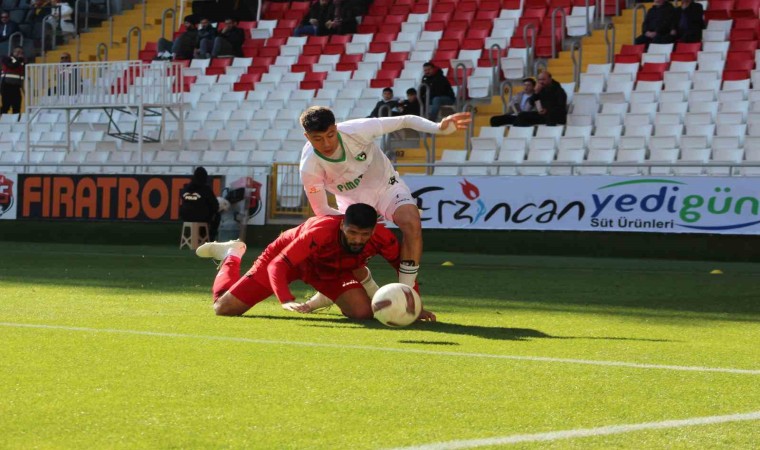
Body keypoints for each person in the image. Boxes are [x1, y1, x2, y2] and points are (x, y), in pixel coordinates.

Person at [298, 106, 471, 309]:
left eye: (330, 135)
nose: (327, 143)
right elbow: (322, 210)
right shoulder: (309, 166)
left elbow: (405, 120)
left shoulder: (357, 130)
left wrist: (439, 128)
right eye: (318, 139)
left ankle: (407, 296)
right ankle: (326, 296)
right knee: (345, 249)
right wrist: (351, 225)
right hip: (352, 205)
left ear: (336, 128)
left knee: (411, 221)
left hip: (386, 188)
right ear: (307, 137)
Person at [195, 203, 437, 321]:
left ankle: (323, 297)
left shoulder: (383, 237)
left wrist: (414, 305)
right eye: (352, 232)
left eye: (364, 235)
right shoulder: (320, 231)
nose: (358, 239)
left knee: (363, 313)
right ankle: (232, 254)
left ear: (374, 230)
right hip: (288, 261)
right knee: (224, 309)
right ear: (342, 224)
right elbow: (278, 265)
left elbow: (404, 267)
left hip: (330, 271)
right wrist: (285, 299)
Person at [489, 71, 566, 127]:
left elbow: (561, 108)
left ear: (550, 79)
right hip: (540, 115)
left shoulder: (559, 91)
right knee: (495, 120)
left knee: (522, 116)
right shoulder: (540, 90)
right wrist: (536, 93)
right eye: (539, 80)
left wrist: (547, 110)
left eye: (543, 79)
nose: (541, 82)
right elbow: (531, 103)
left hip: (552, 117)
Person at [180, 166, 221, 241]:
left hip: (185, 217)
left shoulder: (185, 188)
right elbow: (215, 205)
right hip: (202, 217)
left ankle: (198, 238)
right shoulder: (206, 189)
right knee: (217, 215)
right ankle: (210, 238)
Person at [1, 46, 25, 114]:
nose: (19, 54)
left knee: (17, 107)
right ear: (13, 52)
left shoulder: (22, 62)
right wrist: (20, 60)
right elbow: (11, 66)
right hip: (7, 86)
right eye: (17, 52)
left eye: (21, 52)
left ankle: (16, 122)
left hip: (16, 87)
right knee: (6, 106)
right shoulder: (6, 58)